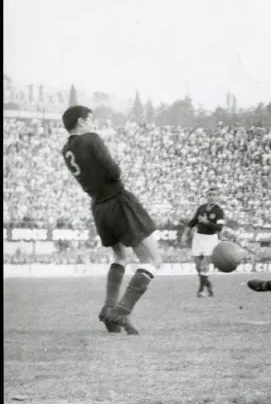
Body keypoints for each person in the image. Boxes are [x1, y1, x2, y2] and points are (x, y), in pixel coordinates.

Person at [61, 105, 162, 335]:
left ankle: (108, 309)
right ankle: (121, 311)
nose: (93, 123)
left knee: (120, 256)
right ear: (80, 121)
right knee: (153, 259)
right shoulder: (91, 139)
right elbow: (113, 171)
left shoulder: (66, 149)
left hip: (98, 205)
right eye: (90, 119)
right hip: (117, 201)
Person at [182, 187, 225, 297]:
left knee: (205, 265)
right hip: (198, 238)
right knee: (198, 266)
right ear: (206, 196)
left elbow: (219, 227)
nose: (211, 197)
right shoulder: (201, 208)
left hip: (211, 239)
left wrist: (206, 222)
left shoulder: (219, 211)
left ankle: (200, 290)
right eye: (209, 194)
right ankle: (208, 285)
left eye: (214, 195)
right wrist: (184, 234)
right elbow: (193, 221)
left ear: (217, 197)